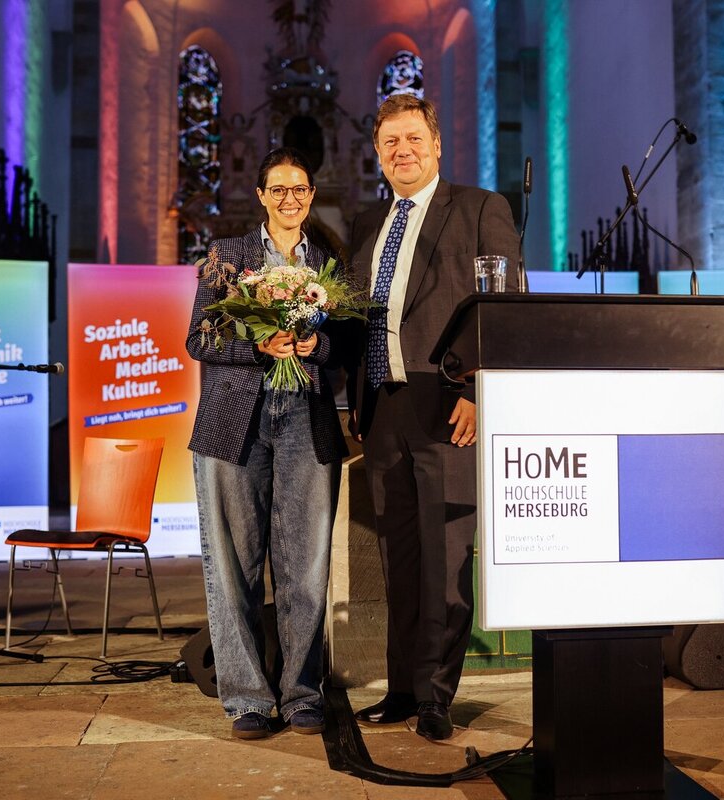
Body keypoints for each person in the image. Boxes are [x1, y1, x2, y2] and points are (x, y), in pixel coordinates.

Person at [346, 95, 521, 740]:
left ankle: (437, 697)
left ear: (437, 145)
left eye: (413, 138)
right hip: (384, 407)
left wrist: (479, 388)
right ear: (377, 153)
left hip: (448, 404)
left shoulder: (478, 209)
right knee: (401, 558)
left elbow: (503, 305)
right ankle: (400, 688)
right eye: (390, 142)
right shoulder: (367, 223)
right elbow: (355, 316)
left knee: (446, 559)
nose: (403, 151)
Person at [185, 147, 347, 740]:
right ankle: (248, 699)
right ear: (260, 195)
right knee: (234, 565)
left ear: (310, 195)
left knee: (305, 564)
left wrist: (317, 348)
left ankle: (302, 693)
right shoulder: (227, 257)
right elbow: (198, 337)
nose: (289, 198)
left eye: (299, 189)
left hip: (306, 417)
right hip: (234, 424)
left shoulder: (327, 263)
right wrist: (260, 347)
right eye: (278, 189)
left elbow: (345, 346)